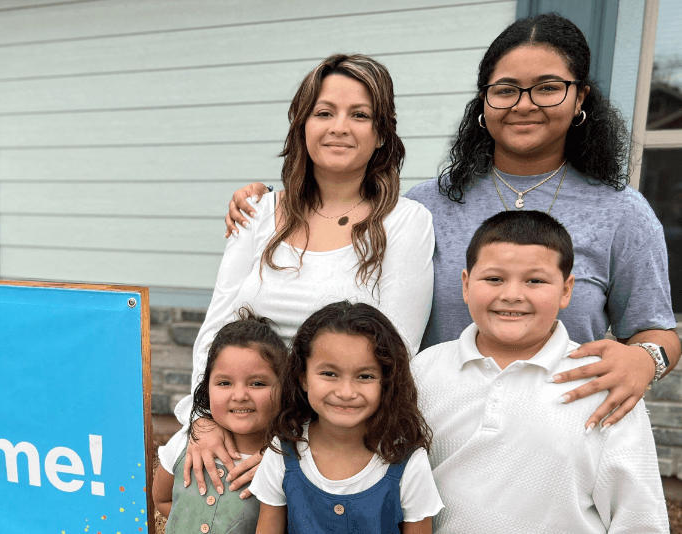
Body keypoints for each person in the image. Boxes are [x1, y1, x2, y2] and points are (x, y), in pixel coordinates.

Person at [222, 13, 678, 432]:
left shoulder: (622, 212)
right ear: (483, 103)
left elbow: (655, 330)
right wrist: (269, 202)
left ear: (580, 97)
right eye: (505, 89)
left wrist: (645, 360)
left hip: (561, 433)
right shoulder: (425, 207)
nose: (524, 104)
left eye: (547, 87)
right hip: (437, 431)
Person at [175, 54, 436, 498]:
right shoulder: (258, 213)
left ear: (381, 135)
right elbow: (216, 328)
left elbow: (398, 352)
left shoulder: (405, 221)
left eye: (359, 114)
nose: (339, 126)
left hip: (337, 446)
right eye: (324, 112)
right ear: (302, 126)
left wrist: (288, 455)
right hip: (241, 428)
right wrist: (202, 419)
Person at [412, 210, 667, 532]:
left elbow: (639, 516)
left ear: (565, 290)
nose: (512, 295)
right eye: (494, 278)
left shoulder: (605, 381)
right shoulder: (422, 372)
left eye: (535, 280)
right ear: (466, 285)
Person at [252, 301, 442, 534]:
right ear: (303, 376)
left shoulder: (408, 462)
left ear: (387, 382)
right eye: (329, 374)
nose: (346, 392)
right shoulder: (282, 451)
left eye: (365, 376)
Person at [152, 308, 285, 533]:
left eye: (257, 383)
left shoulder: (282, 462)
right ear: (206, 388)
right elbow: (162, 500)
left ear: (285, 389)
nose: (240, 395)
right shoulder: (185, 442)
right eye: (224, 383)